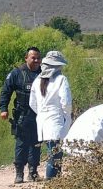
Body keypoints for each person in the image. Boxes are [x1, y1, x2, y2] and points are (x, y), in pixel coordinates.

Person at [0, 47, 42, 183]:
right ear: (26, 58)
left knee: (36, 144)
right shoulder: (17, 73)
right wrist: (3, 109)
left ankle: (33, 172)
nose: (36, 60)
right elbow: (6, 91)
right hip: (22, 115)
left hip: (39, 116)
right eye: (33, 58)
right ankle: (19, 173)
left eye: (37, 58)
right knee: (21, 144)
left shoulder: (44, 74)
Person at [29, 50, 72, 180]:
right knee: (55, 155)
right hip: (56, 120)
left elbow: (32, 103)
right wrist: (67, 116)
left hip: (42, 122)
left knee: (53, 153)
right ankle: (52, 184)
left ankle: (55, 184)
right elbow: (66, 102)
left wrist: (42, 113)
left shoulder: (37, 80)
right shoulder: (61, 79)